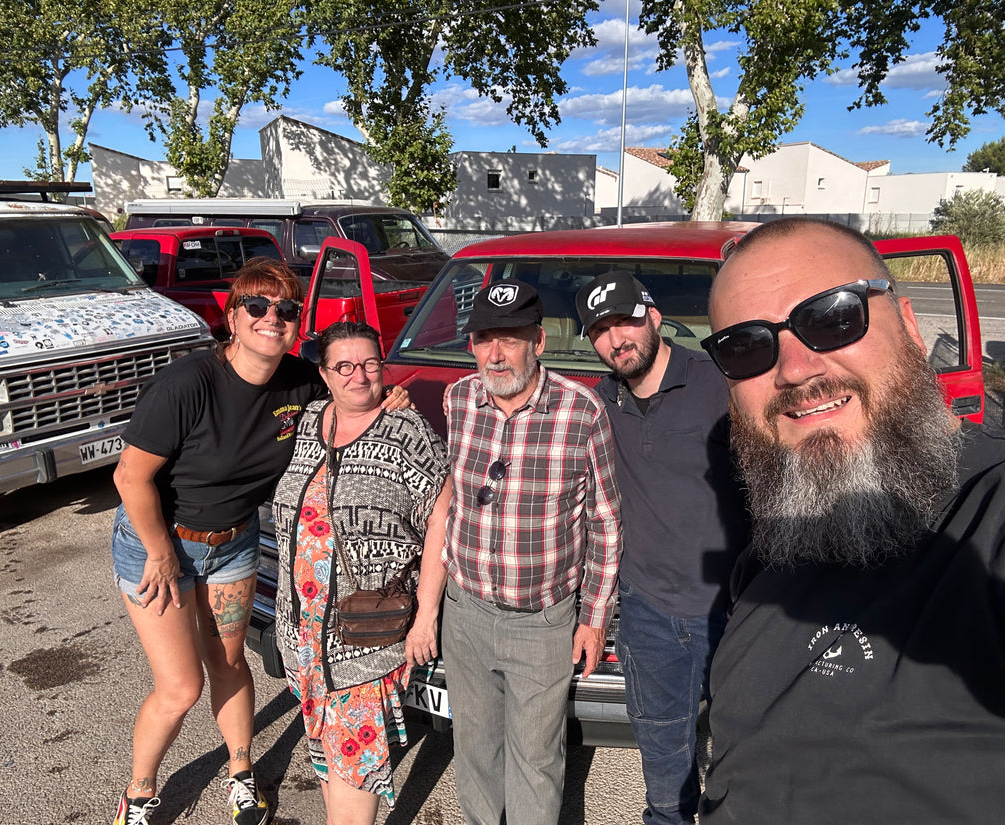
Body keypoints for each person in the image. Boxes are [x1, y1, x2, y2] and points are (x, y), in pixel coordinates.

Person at [696, 217, 1005, 824]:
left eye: (831, 319)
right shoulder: (771, 551)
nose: (795, 369)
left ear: (907, 324)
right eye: (747, 348)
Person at [110, 258, 407, 825]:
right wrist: (160, 552)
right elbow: (130, 478)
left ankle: (241, 772)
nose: (273, 317)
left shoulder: (297, 378)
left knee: (229, 665)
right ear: (232, 317)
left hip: (234, 542)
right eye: (258, 306)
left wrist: (388, 402)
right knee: (181, 687)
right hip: (159, 543)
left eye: (287, 309)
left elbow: (351, 391)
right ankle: (140, 792)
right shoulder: (188, 382)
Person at [442, 280, 623, 825]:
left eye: (511, 338)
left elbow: (607, 522)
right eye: (483, 339)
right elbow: (448, 499)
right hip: (466, 613)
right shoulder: (458, 400)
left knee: (536, 761)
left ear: (538, 341)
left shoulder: (581, 410)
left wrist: (592, 620)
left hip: (542, 624)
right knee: (473, 751)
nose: (495, 353)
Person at [574, 272, 749, 825]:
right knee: (665, 772)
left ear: (652, 314)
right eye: (600, 330)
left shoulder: (721, 385)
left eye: (625, 320)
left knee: (747, 759)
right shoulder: (599, 405)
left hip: (735, 610)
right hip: (648, 615)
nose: (615, 339)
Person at [271, 321, 451, 825]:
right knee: (328, 756)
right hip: (302, 632)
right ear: (325, 374)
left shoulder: (406, 430)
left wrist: (427, 615)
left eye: (371, 364)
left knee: (354, 768)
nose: (360, 376)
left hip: (363, 635)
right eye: (344, 366)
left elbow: (443, 515)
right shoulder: (309, 419)